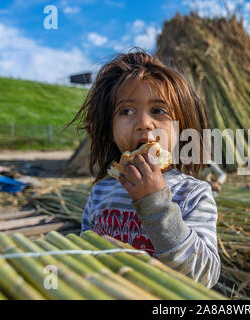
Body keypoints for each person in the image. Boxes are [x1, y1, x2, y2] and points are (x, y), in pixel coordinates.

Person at [67, 51, 220, 288]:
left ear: (181, 129)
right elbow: (87, 252)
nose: (143, 123)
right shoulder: (101, 191)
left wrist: (155, 204)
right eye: (126, 111)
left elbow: (205, 275)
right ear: (110, 131)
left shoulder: (193, 194)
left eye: (158, 111)